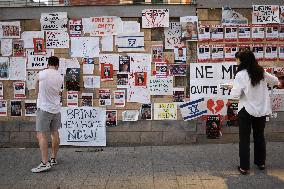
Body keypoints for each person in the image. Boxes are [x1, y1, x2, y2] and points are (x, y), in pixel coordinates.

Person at [230, 50, 279, 175]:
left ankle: (244, 167)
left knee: (244, 139)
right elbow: (275, 81)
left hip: (246, 110)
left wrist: (232, 87)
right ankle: (260, 163)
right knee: (259, 136)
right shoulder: (260, 71)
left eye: (238, 59)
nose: (237, 61)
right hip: (261, 110)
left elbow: (235, 95)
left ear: (243, 60)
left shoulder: (241, 74)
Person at [31, 56, 64, 173]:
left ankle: (44, 163)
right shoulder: (60, 77)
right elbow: (58, 92)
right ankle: (53, 158)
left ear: (48, 64)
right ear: (57, 65)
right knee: (55, 133)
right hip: (56, 109)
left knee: (41, 135)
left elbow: (35, 91)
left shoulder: (42, 74)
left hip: (44, 109)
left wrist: (37, 86)